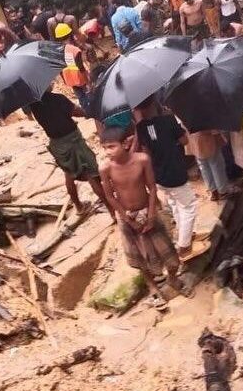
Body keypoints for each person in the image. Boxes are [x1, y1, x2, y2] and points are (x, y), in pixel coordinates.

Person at [99, 126, 191, 307]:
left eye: (111, 146)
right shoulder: (106, 168)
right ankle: (153, 289)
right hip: (127, 217)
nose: (107, 152)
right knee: (140, 260)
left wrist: (150, 214)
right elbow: (109, 196)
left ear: (126, 143)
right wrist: (126, 217)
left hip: (147, 211)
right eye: (104, 148)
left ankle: (172, 279)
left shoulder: (142, 160)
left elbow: (152, 187)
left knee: (170, 257)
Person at [28, 89, 112, 216]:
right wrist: (87, 112)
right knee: (91, 175)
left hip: (57, 144)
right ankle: (111, 211)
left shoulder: (34, 105)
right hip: (73, 140)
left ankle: (79, 206)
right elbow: (77, 112)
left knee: (68, 174)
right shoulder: (57, 99)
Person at [132, 97, 197, 258]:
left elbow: (145, 150)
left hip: (158, 173)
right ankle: (184, 245)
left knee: (175, 204)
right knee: (189, 206)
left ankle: (183, 234)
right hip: (175, 170)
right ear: (154, 102)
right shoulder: (168, 120)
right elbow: (184, 140)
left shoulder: (140, 128)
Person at [54, 22, 90, 109]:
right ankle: (90, 110)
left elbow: (59, 69)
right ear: (69, 34)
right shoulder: (75, 50)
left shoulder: (58, 52)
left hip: (69, 78)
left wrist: (65, 80)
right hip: (80, 78)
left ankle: (85, 110)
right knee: (87, 95)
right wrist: (87, 80)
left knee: (80, 97)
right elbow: (81, 67)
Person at [188, 130, 232, 201]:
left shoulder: (187, 119)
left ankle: (213, 192)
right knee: (216, 165)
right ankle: (223, 191)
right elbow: (211, 127)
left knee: (203, 166)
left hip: (193, 138)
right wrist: (217, 133)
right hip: (207, 137)